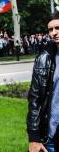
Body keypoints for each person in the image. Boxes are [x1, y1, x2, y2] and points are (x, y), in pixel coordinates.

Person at [27, 11, 59, 152]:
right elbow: (35, 99)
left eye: (58, 28)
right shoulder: (43, 58)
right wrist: (34, 137)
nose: (54, 33)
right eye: (50, 29)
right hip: (50, 137)